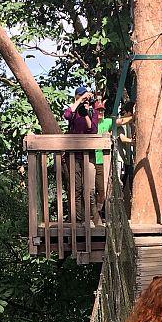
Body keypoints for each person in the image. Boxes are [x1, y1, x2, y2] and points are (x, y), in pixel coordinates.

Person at [62, 85, 102, 226]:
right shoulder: (73, 111)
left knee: (89, 188)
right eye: (82, 97)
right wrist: (79, 101)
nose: (85, 100)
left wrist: (86, 113)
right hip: (72, 156)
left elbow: (93, 131)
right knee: (76, 188)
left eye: (87, 98)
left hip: (88, 155)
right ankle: (77, 220)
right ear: (77, 97)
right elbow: (66, 115)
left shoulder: (92, 112)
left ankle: (88, 218)